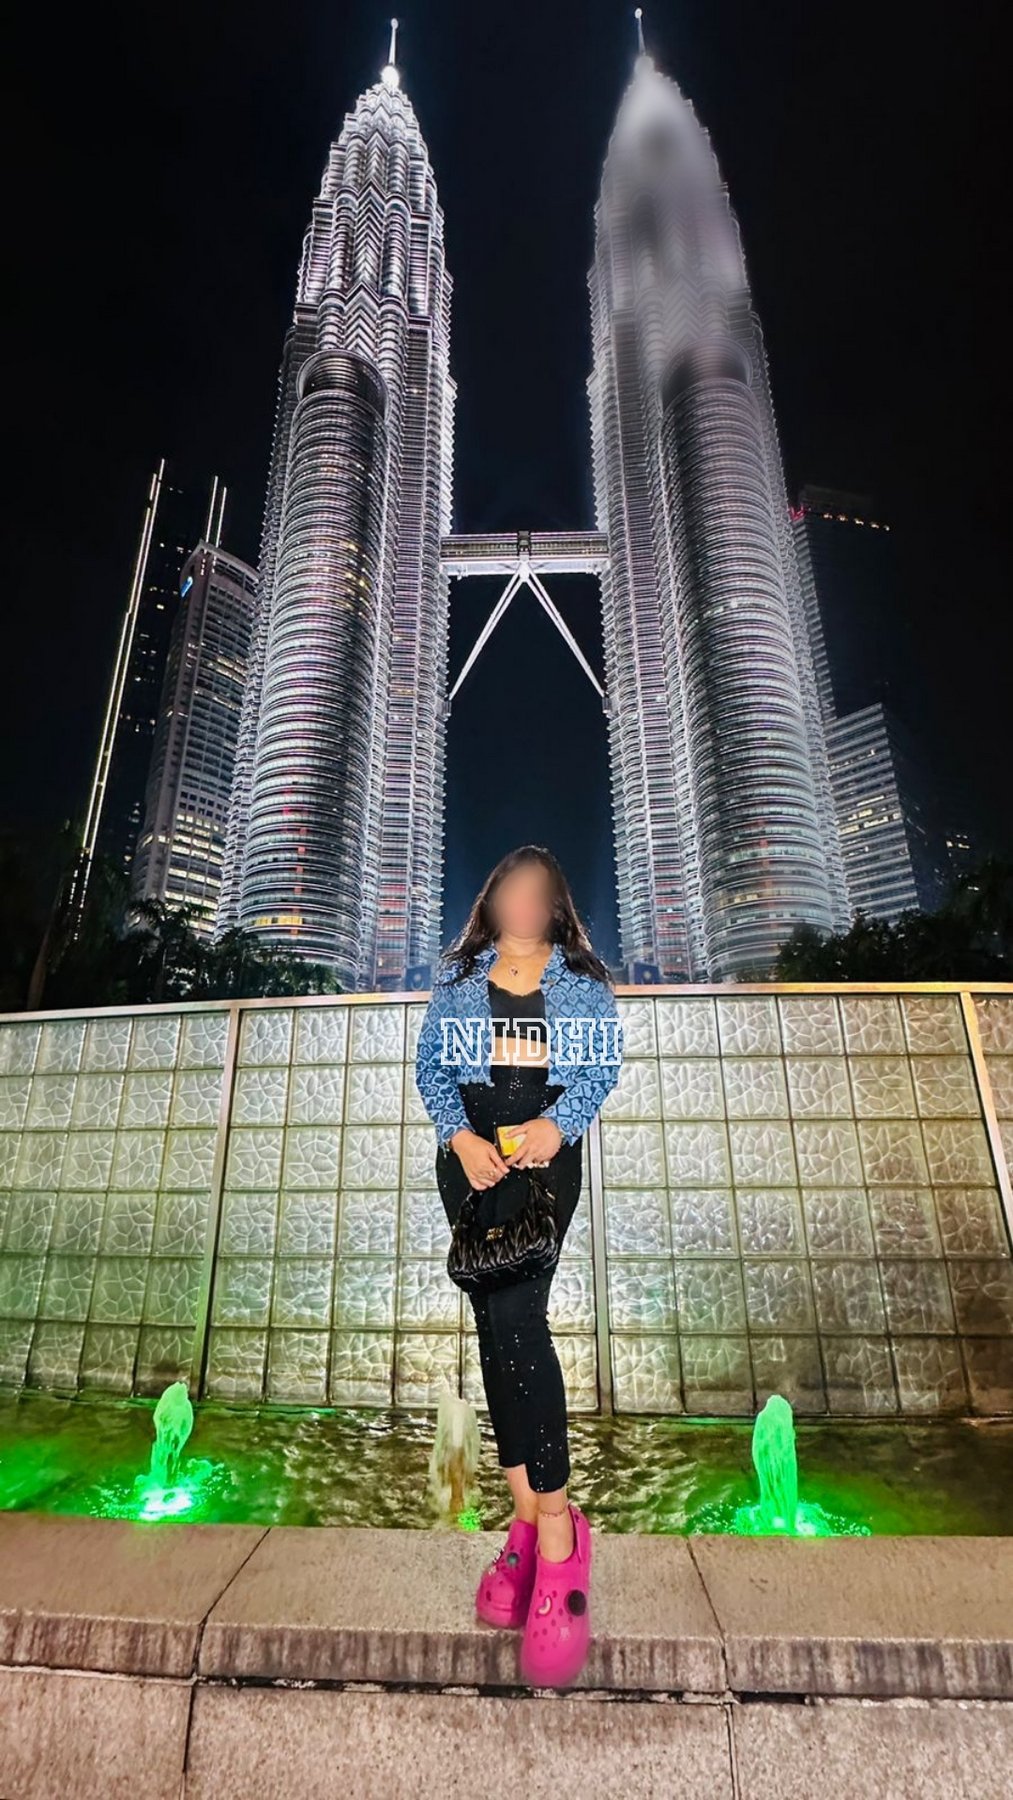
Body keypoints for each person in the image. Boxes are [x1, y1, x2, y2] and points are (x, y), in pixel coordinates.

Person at [414, 844, 623, 1686]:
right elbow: (432, 1069)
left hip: (541, 1167)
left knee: (520, 1323)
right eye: (512, 891)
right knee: (492, 1331)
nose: (525, 905)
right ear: (493, 900)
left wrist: (556, 1126)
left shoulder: (582, 983)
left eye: (540, 894)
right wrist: (459, 1139)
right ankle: (523, 1523)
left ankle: (561, 1537)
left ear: (556, 906)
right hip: (470, 1166)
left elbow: (600, 1068)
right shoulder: (458, 980)